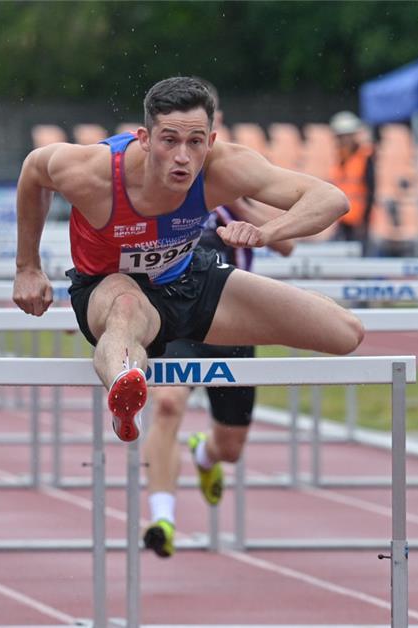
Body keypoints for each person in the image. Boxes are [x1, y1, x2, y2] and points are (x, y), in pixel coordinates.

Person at [12, 76, 364, 449]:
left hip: (188, 279)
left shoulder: (225, 166)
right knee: (126, 305)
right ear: (144, 139)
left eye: (195, 142)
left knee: (345, 333)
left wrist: (268, 232)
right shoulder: (92, 171)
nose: (183, 156)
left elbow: (331, 199)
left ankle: (147, 396)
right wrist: (27, 267)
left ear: (210, 141)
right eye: (169, 141)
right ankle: (124, 391)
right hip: (108, 286)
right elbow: (35, 171)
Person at [142, 79, 295, 558]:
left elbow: (287, 244)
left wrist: (235, 201)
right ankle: (161, 519)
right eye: (176, 137)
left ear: (214, 134)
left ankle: (204, 454)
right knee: (167, 405)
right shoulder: (161, 183)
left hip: (233, 322)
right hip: (177, 320)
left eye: (202, 134)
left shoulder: (236, 177)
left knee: (231, 448)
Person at [328, 111, 375, 250]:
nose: (343, 140)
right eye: (340, 137)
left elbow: (371, 189)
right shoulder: (339, 158)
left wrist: (365, 220)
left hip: (359, 219)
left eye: (346, 136)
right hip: (342, 217)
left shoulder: (365, 157)